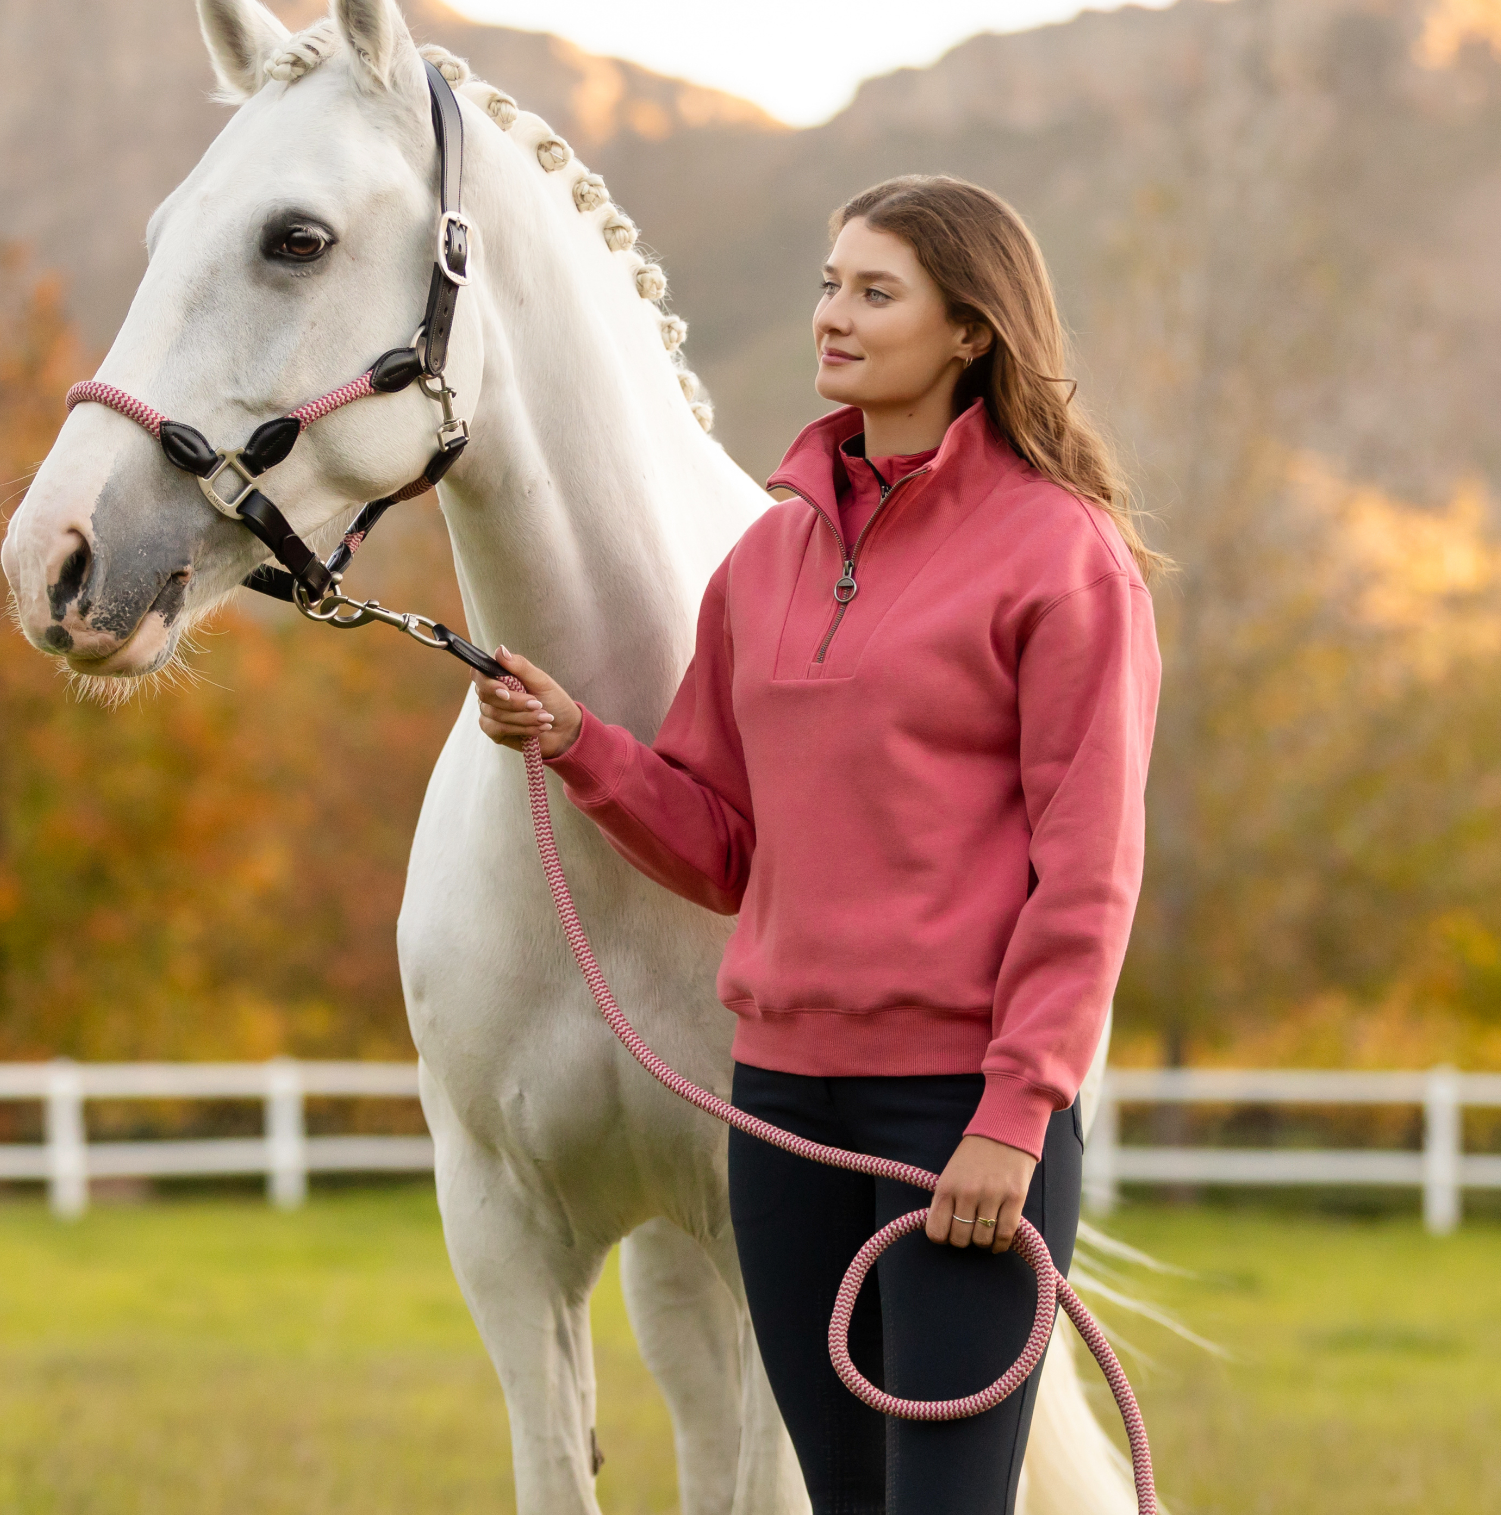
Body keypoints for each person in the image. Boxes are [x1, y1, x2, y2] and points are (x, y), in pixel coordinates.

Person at [472, 175, 1161, 1515]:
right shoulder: (764, 559)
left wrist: (1016, 1116)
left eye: (874, 291)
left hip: (957, 1115)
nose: (832, 315)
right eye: (828, 285)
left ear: (971, 329)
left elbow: (1087, 878)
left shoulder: (1063, 558)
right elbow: (725, 846)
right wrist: (579, 744)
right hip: (782, 1109)